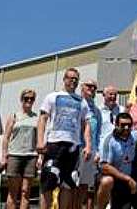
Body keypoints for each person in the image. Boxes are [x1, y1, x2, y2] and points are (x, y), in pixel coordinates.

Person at [37, 68, 92, 209]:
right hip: (54, 145)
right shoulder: (52, 97)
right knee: (48, 181)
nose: (73, 81)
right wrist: (40, 141)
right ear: (64, 79)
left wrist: (88, 145)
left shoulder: (82, 102)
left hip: (73, 147)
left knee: (68, 183)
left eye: (76, 79)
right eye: (70, 78)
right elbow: (42, 119)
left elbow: (86, 124)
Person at [0, 89, 39, 209]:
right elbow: (6, 137)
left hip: (31, 156)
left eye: (31, 98)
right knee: (13, 191)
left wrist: (40, 157)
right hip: (14, 155)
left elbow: (39, 139)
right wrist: (4, 156)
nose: (28, 101)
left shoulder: (36, 117)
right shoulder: (14, 116)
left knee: (25, 191)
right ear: (21, 99)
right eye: (26, 98)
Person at [98, 112, 137, 209]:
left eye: (129, 125)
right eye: (123, 125)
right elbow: (104, 166)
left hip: (128, 182)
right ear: (116, 125)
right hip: (114, 179)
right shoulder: (109, 140)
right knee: (107, 181)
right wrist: (127, 178)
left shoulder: (135, 136)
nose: (126, 128)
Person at [77, 79, 103, 209]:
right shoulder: (77, 103)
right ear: (82, 87)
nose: (92, 89)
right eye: (89, 86)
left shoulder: (96, 111)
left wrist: (97, 151)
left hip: (89, 153)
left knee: (85, 186)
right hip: (76, 149)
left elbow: (98, 134)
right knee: (70, 185)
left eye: (94, 87)